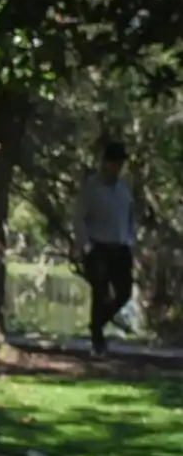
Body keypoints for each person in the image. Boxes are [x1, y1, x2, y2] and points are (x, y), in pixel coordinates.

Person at [73, 140, 137, 357]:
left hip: (120, 247)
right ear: (105, 163)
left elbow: (130, 216)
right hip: (98, 246)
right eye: (115, 164)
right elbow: (79, 218)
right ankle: (97, 342)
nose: (118, 168)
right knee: (100, 291)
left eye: (121, 164)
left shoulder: (123, 188)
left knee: (124, 292)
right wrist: (86, 246)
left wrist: (130, 239)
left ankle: (97, 323)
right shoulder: (91, 187)